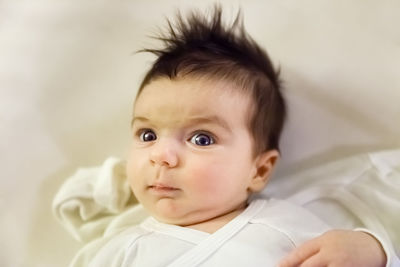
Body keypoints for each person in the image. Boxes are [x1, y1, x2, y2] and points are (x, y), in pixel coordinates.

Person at [68, 5, 394, 267]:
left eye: (202, 139)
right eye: (148, 134)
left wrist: (374, 252)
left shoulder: (286, 226)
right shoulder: (117, 248)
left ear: (259, 170)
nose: (161, 155)